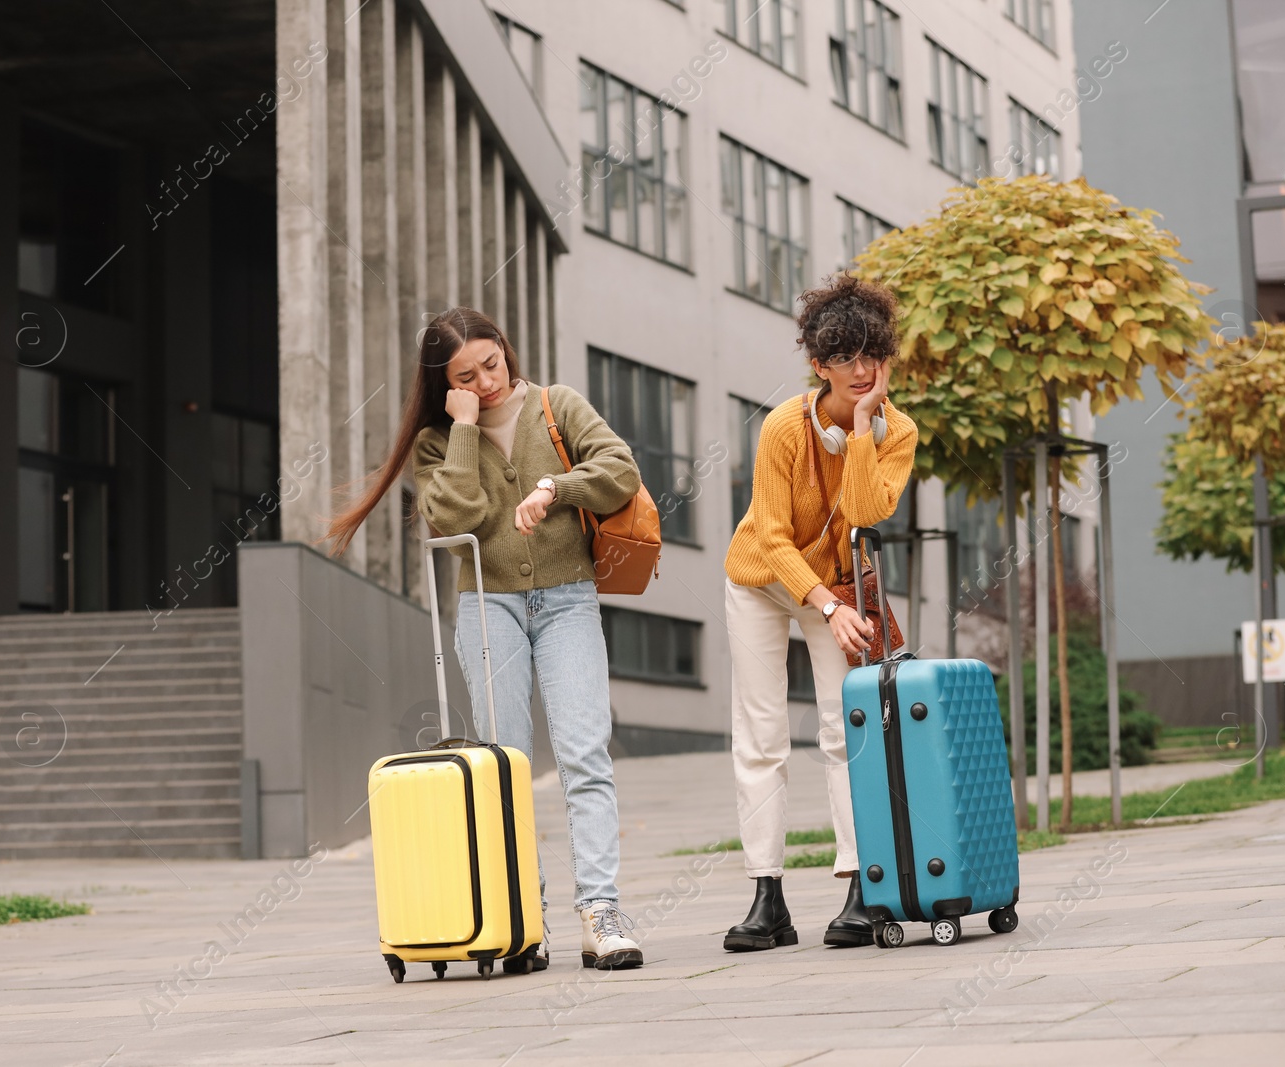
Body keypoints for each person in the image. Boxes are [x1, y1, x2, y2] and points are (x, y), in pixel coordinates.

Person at [325, 307, 644, 972]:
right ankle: (523, 917)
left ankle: (601, 912)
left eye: (491, 364)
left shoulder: (557, 404)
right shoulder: (438, 441)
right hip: (487, 605)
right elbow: (456, 515)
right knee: (508, 767)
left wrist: (557, 485)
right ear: (444, 384)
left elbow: (619, 469)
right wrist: (465, 426)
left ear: (505, 348)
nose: (486, 382)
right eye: (465, 377)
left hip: (567, 599)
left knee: (586, 755)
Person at [720, 273, 917, 952]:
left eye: (871, 355)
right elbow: (772, 537)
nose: (860, 370)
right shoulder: (783, 427)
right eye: (844, 358)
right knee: (762, 734)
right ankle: (767, 896)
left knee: (848, 729)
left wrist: (862, 427)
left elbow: (865, 511)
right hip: (762, 583)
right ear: (819, 364)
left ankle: (864, 886)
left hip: (832, 587)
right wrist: (828, 604)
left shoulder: (898, 431)